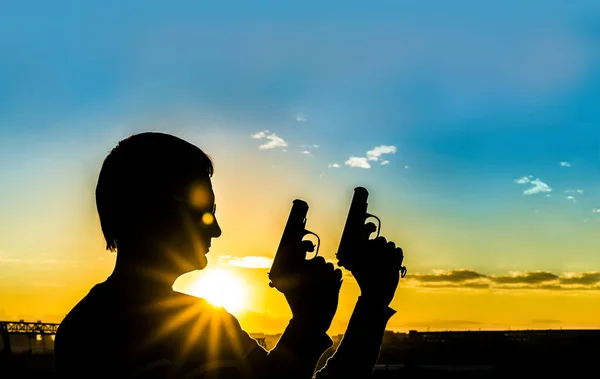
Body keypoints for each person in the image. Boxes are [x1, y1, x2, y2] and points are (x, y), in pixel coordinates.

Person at [54, 132, 404, 379]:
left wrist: (371, 305)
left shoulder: (210, 320)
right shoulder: (91, 335)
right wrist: (308, 324)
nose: (216, 229)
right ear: (152, 210)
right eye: (204, 212)